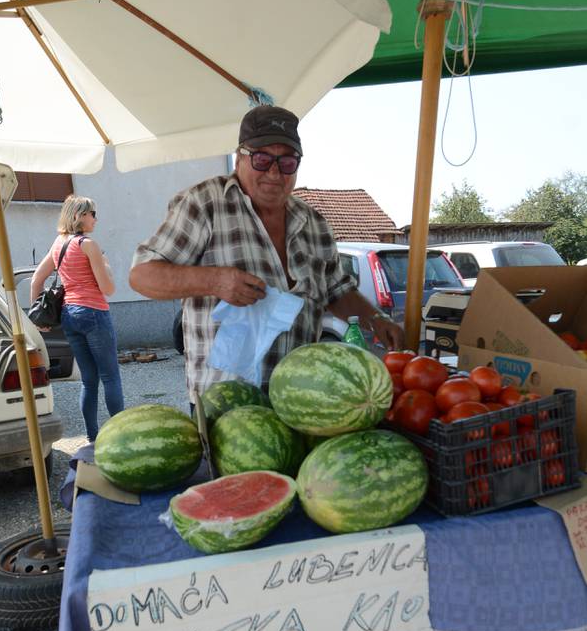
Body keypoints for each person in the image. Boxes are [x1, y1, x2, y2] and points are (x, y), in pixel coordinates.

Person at [130, 105, 404, 402]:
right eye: (262, 159)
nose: (274, 172)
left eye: (287, 162)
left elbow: (336, 291)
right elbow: (143, 276)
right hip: (225, 406)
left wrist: (376, 320)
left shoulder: (315, 224)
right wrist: (214, 281)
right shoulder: (204, 203)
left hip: (299, 402)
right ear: (239, 159)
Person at [30, 195, 124, 443]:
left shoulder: (58, 244)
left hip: (70, 315)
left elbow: (36, 280)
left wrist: (36, 312)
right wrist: (105, 264)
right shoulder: (88, 245)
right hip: (93, 313)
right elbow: (108, 288)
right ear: (79, 215)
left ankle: (93, 438)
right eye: (92, 213)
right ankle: (123, 437)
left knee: (89, 380)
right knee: (111, 376)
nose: (95, 218)